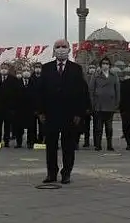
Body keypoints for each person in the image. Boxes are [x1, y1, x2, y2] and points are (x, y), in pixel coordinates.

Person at [37, 39, 89, 185]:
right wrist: (40, 112)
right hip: (51, 114)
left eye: (64, 47)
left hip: (69, 115)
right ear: (54, 50)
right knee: (51, 146)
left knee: (68, 147)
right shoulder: (46, 68)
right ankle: (51, 173)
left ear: (69, 50)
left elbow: (82, 93)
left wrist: (79, 114)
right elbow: (40, 91)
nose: (61, 49)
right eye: (58, 47)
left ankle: (66, 173)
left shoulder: (75, 69)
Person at [88, 57, 120, 151]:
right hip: (99, 105)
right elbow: (91, 90)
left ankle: (110, 145)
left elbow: (117, 90)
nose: (105, 65)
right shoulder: (96, 75)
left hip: (110, 105)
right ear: (101, 65)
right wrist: (92, 103)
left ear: (109, 65)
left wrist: (117, 103)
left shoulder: (114, 76)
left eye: (107, 63)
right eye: (103, 63)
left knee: (109, 128)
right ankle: (98, 145)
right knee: (98, 127)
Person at [0, 62, 19, 147]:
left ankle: (6, 141)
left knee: (7, 125)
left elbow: (16, 94)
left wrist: (14, 106)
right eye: (2, 68)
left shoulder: (13, 79)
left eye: (5, 68)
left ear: (8, 69)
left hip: (9, 107)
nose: (3, 69)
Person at [14, 66, 37, 148]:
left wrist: (36, 108)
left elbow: (37, 96)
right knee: (18, 127)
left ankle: (30, 142)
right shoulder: (17, 82)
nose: (26, 72)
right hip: (19, 109)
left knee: (31, 127)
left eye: (27, 70)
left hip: (31, 109)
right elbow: (13, 96)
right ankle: (19, 142)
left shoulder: (34, 82)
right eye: (24, 70)